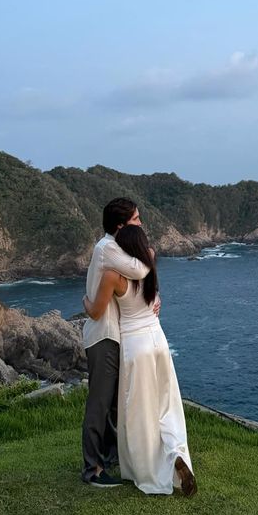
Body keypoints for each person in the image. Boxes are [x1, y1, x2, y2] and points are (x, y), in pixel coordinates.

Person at [84, 223, 196, 497]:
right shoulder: (151, 260)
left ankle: (147, 470)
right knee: (165, 407)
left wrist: (85, 300)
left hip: (135, 344)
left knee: (139, 413)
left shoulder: (114, 275)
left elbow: (97, 311)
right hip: (158, 339)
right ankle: (174, 454)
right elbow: (153, 295)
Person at [81, 197, 158, 487]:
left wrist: (155, 299)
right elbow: (141, 268)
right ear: (120, 225)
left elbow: (138, 283)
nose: (141, 224)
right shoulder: (107, 249)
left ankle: (110, 458)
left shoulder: (115, 248)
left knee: (115, 403)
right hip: (104, 336)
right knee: (99, 405)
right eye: (136, 219)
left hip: (116, 334)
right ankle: (92, 470)